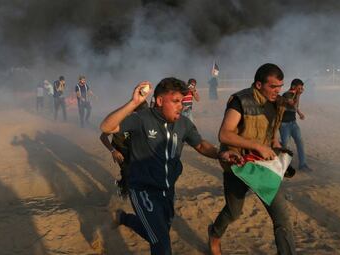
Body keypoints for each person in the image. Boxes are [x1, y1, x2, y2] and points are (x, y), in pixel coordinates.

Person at [100, 78, 242, 255]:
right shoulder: (141, 119)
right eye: (175, 101)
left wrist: (220, 154)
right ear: (160, 101)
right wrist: (134, 102)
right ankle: (127, 219)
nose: (180, 106)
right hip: (143, 190)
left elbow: (200, 145)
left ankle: (124, 218)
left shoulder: (184, 124)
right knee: (161, 242)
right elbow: (106, 126)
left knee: (157, 234)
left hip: (167, 191)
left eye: (182, 101)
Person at [208, 64, 296, 255]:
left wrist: (276, 146)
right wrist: (257, 146)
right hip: (239, 165)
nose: (277, 91)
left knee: (283, 219)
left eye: (280, 86)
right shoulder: (240, 101)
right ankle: (214, 234)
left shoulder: (277, 103)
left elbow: (271, 133)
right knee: (234, 212)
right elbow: (224, 134)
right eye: (273, 87)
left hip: (264, 168)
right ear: (258, 84)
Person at [99, 101, 149, 199]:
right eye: (142, 113)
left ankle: (121, 183)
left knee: (137, 171)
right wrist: (113, 151)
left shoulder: (144, 119)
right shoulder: (121, 120)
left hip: (133, 148)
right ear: (135, 111)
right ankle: (124, 194)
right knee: (127, 171)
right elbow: (103, 137)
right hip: (119, 149)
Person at [280, 79, 311, 171]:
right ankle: (285, 166)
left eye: (302, 87)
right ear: (293, 86)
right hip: (284, 124)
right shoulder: (287, 94)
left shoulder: (294, 95)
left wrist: (299, 113)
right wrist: (298, 95)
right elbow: (293, 104)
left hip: (293, 122)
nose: (301, 89)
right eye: (299, 87)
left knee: (300, 143)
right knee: (286, 145)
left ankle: (303, 164)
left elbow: (295, 107)